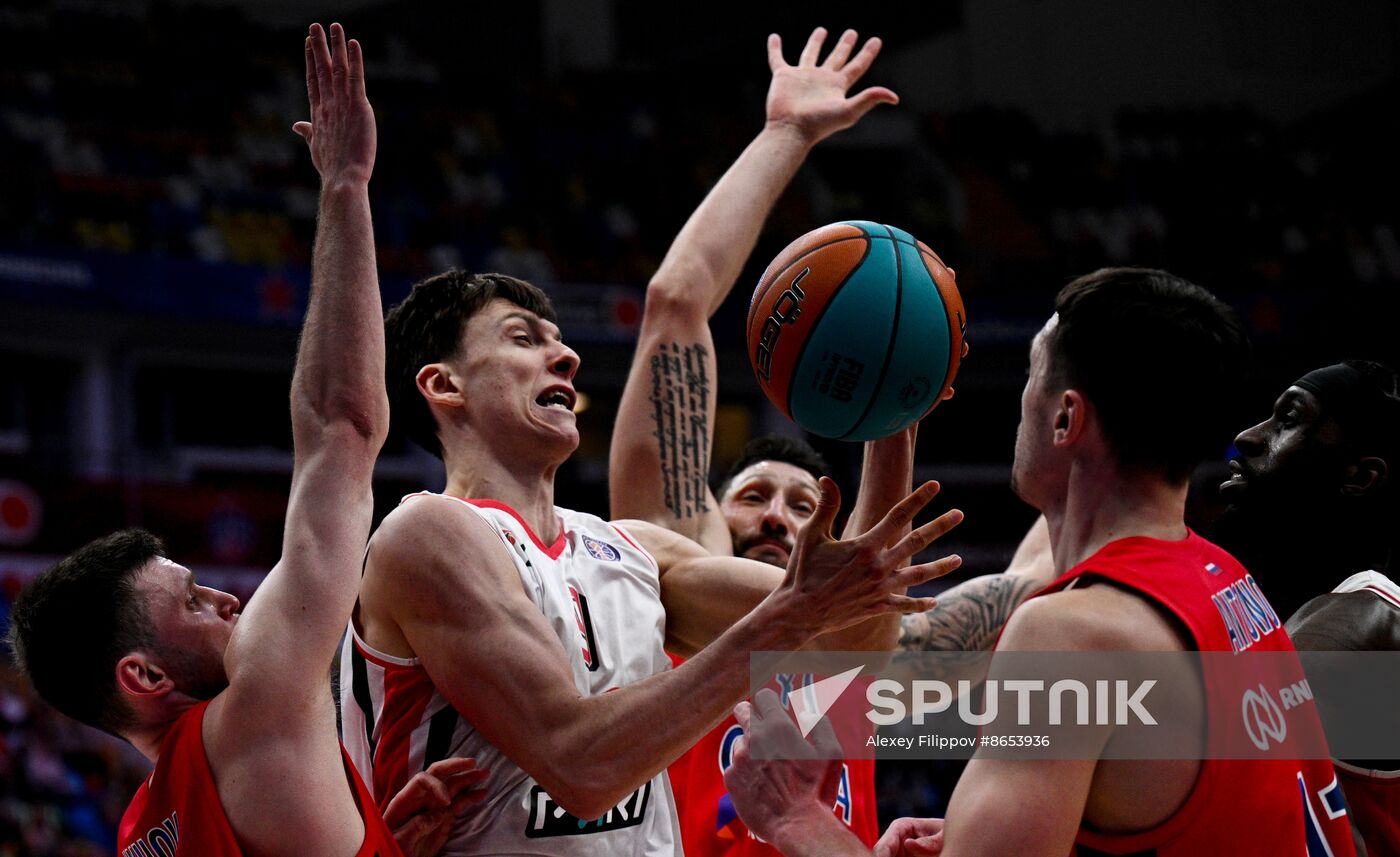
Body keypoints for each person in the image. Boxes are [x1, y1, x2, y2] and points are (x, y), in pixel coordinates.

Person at [338, 33, 964, 852]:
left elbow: (851, 644)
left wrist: (894, 405)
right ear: (443, 385)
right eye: (524, 338)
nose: (563, 354)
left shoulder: (632, 551)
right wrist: (787, 611)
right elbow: (581, 761)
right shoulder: (427, 532)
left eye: (560, 340)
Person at [6, 24, 482, 857]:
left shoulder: (141, 832)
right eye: (191, 600)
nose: (228, 599)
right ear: (146, 677)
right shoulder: (253, 702)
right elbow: (342, 426)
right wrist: (345, 186)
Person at [724, 267, 1357, 857]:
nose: (1021, 399)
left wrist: (797, 820)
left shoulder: (1073, 634)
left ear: (1064, 417)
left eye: (1032, 374)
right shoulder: (1225, 580)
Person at [605, 27, 920, 853]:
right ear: (708, 516)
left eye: (802, 503)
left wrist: (903, 392)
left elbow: (868, 594)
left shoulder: (865, 636)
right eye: (753, 496)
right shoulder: (682, 589)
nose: (780, 514)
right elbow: (677, 302)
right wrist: (787, 135)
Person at [1219, 359, 1400, 856]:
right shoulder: (1278, 607)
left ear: (1360, 476)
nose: (1249, 437)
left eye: (1288, 420)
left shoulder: (1367, 622)